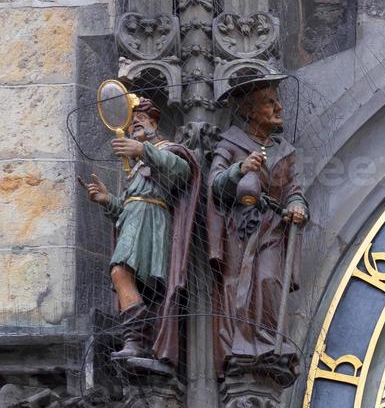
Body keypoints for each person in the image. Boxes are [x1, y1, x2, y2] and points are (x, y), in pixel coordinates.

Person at [81, 95, 201, 372]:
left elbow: (183, 171)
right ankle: (139, 337)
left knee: (120, 273)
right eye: (133, 124)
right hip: (134, 220)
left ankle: (138, 334)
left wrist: (143, 151)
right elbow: (127, 205)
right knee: (131, 280)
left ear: (153, 123)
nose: (135, 126)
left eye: (140, 122)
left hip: (152, 221)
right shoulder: (136, 166)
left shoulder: (169, 150)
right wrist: (107, 200)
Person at [207, 72, 309, 375]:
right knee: (239, 284)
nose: (279, 108)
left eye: (277, 101)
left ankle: (268, 343)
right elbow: (214, 184)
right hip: (240, 226)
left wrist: (296, 205)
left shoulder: (286, 152)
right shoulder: (231, 143)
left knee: (268, 280)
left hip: (273, 228)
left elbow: (295, 190)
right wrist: (240, 169)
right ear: (250, 112)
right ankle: (239, 346)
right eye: (270, 102)